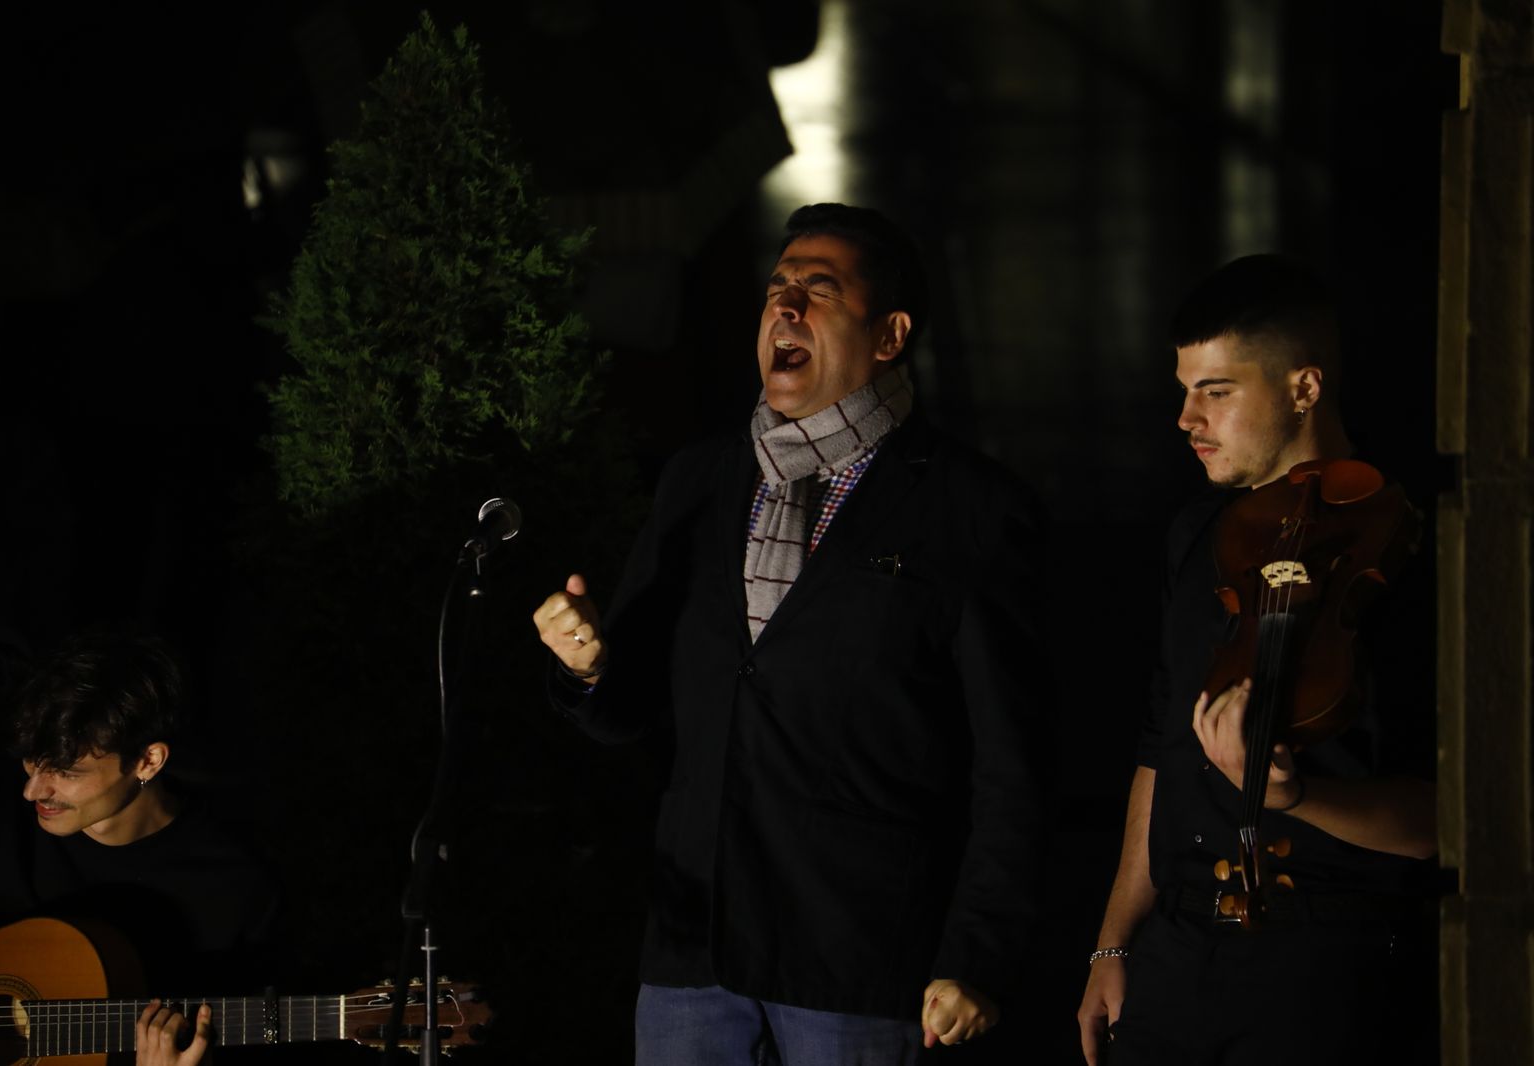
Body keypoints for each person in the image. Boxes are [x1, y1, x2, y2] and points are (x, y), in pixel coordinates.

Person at [533, 203, 1047, 1064]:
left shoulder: (971, 509)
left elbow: (1014, 765)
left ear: (890, 336)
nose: (787, 308)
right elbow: (630, 710)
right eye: (778, 289)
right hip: (691, 951)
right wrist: (587, 665)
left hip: (858, 966)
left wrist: (978, 955)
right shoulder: (700, 481)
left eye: (819, 290)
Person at [1075, 255, 1437, 1066]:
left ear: (1304, 389)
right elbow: (1160, 745)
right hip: (1174, 951)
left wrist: (1295, 798)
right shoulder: (1198, 534)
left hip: (1320, 963)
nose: (1186, 418)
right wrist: (1112, 945)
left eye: (1217, 390)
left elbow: (1444, 823)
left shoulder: (1401, 552)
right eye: (1184, 388)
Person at [0, 632, 281, 995]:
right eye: (31, 761)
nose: (32, 790)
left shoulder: (232, 891)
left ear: (148, 762)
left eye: (67, 773)